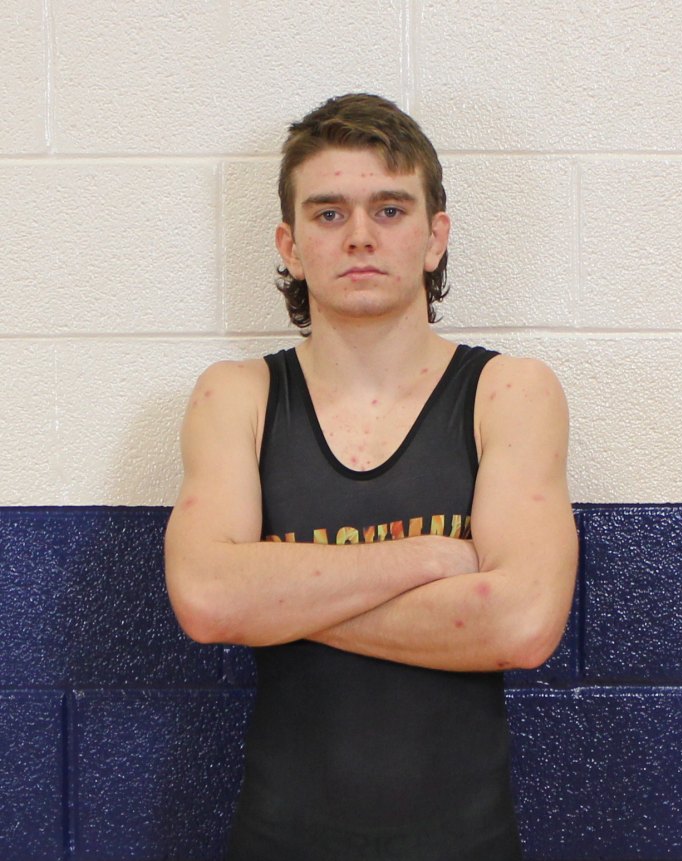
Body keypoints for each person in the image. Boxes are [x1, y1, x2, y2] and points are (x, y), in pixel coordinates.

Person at [164, 93, 578, 860]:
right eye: (328, 213)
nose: (359, 234)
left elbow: (522, 624)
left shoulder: (508, 393)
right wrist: (428, 559)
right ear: (290, 245)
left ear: (434, 237)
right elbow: (208, 600)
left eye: (390, 210)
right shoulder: (239, 396)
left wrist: (277, 595)